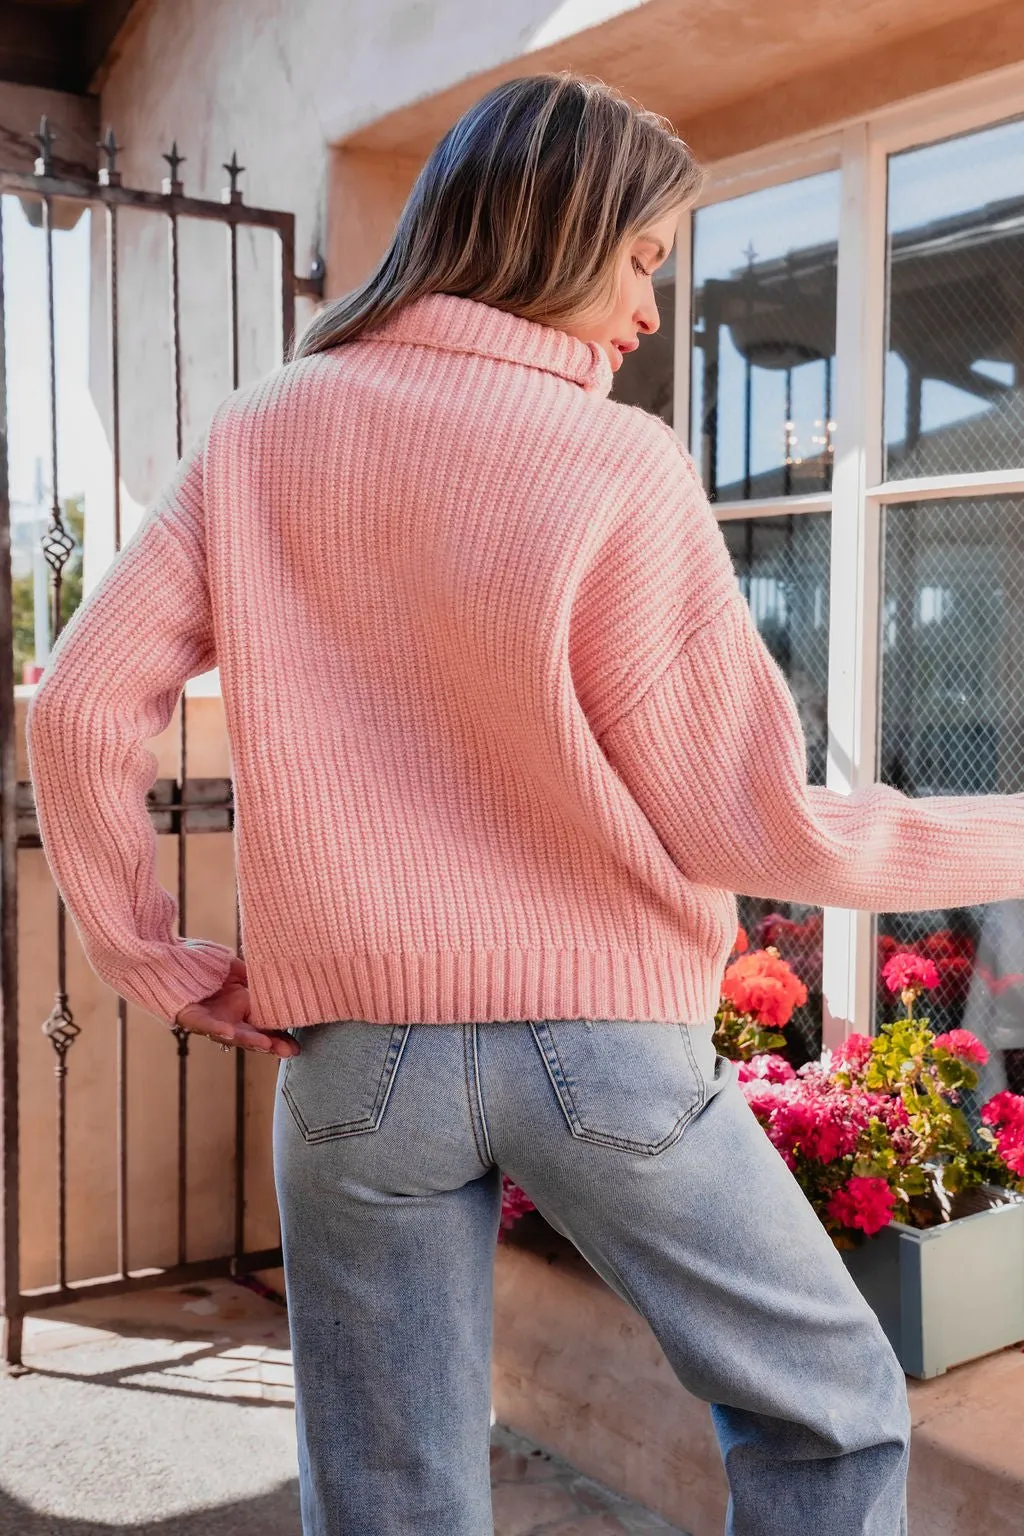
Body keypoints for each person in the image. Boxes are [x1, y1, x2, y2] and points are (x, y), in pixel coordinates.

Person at [34, 67, 1024, 1536]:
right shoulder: (620, 464)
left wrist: (156, 959)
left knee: (387, 1495)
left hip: (356, 1065)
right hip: (604, 1056)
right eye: (638, 261)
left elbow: (77, 699)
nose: (648, 308)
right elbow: (757, 821)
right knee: (830, 1410)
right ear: (550, 231)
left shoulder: (265, 431)